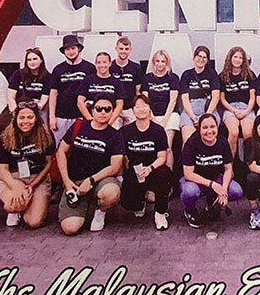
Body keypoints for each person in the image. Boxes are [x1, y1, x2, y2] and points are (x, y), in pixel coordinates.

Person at [56, 99, 124, 235]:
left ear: (112, 112)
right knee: (70, 229)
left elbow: (115, 167)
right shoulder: (79, 126)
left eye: (107, 109)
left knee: (111, 193)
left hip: (99, 181)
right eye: (99, 108)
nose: (103, 112)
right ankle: (82, 208)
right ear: (92, 110)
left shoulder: (116, 135)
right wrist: (67, 182)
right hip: (75, 182)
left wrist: (91, 180)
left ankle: (100, 211)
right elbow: (61, 152)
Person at [0, 102, 55, 229]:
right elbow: (2, 169)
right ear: (15, 118)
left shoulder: (46, 135)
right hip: (13, 177)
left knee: (33, 222)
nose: (25, 121)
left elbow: (48, 164)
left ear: (36, 118)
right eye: (21, 118)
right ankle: (16, 211)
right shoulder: (5, 136)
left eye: (30, 117)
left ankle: (28, 206)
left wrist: (32, 185)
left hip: (37, 177)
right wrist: (15, 186)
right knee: (12, 206)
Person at [179, 113, 244, 229]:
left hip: (215, 177)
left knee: (236, 191)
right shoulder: (192, 142)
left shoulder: (222, 142)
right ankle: (189, 210)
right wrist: (212, 185)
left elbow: (228, 169)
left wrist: (223, 189)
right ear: (199, 129)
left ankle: (213, 200)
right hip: (194, 179)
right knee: (190, 192)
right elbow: (188, 174)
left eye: (212, 127)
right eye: (205, 127)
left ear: (217, 127)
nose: (209, 131)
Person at [120, 94, 173, 231]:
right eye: (137, 106)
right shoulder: (126, 132)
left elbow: (162, 156)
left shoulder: (158, 130)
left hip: (154, 169)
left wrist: (150, 168)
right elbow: (123, 156)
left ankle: (160, 213)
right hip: (135, 171)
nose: (141, 109)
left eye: (144, 106)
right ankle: (139, 203)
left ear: (150, 109)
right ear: (133, 110)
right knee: (127, 202)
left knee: (164, 174)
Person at [48, 34, 97, 146]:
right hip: (61, 116)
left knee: (80, 148)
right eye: (67, 49)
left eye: (73, 48)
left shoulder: (89, 68)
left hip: (82, 116)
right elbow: (53, 93)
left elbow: (94, 92)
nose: (70, 52)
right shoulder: (58, 69)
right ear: (64, 51)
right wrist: (52, 117)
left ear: (78, 49)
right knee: (60, 148)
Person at [141, 49, 180, 169]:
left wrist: (164, 121)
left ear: (167, 63)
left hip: (170, 115)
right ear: (153, 62)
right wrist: (152, 118)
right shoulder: (147, 78)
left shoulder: (173, 77)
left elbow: (173, 101)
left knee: (167, 146)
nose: (160, 64)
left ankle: (169, 178)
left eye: (163, 61)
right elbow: (145, 101)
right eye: (157, 61)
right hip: (151, 115)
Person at [219, 46, 257, 158]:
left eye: (240, 57)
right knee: (234, 132)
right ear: (230, 58)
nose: (237, 60)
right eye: (235, 57)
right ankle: (230, 164)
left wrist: (246, 111)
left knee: (248, 133)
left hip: (246, 107)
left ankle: (250, 163)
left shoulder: (250, 75)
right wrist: (234, 110)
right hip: (230, 108)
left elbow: (252, 97)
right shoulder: (223, 76)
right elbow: (222, 99)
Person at [179, 45, 220, 143]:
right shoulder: (186, 74)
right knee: (188, 140)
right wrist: (193, 117)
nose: (201, 59)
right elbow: (184, 98)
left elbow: (216, 96)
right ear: (194, 57)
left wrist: (207, 115)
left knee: (210, 138)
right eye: (199, 56)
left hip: (208, 108)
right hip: (190, 109)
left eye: (204, 57)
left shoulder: (212, 73)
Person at [76, 52, 125, 128]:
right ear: (95, 64)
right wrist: (90, 120)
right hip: (91, 121)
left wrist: (109, 123)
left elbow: (120, 105)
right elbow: (80, 101)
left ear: (110, 63)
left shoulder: (116, 82)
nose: (102, 65)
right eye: (99, 62)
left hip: (111, 122)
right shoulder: (88, 80)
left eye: (104, 62)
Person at [7, 48, 51, 114]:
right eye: (29, 60)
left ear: (41, 60)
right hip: (18, 109)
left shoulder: (48, 77)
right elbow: (11, 97)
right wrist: (15, 112)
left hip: (37, 111)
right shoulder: (18, 74)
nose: (32, 62)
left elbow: (43, 100)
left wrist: (33, 113)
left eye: (35, 59)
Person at [110, 36, 143, 126]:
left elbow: (138, 91)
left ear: (130, 50)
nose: (123, 51)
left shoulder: (136, 68)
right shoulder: (110, 67)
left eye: (126, 49)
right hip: (114, 108)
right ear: (116, 49)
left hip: (129, 109)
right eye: (121, 48)